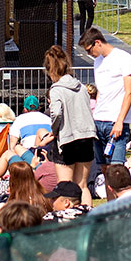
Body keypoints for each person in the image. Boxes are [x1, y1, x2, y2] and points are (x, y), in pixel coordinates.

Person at [81, 27, 131, 182]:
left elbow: (130, 91)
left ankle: (120, 205)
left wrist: (120, 121)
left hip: (115, 122)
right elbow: (101, 90)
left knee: (116, 170)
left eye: (89, 50)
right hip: (99, 120)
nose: (88, 54)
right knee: (105, 169)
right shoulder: (97, 62)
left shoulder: (124, 58)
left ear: (97, 43)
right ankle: (110, 204)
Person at [43, 45, 93, 191]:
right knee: (82, 186)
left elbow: (56, 113)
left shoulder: (56, 89)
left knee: (65, 186)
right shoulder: (82, 87)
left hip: (67, 139)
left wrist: (54, 129)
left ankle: (67, 213)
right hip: (86, 137)